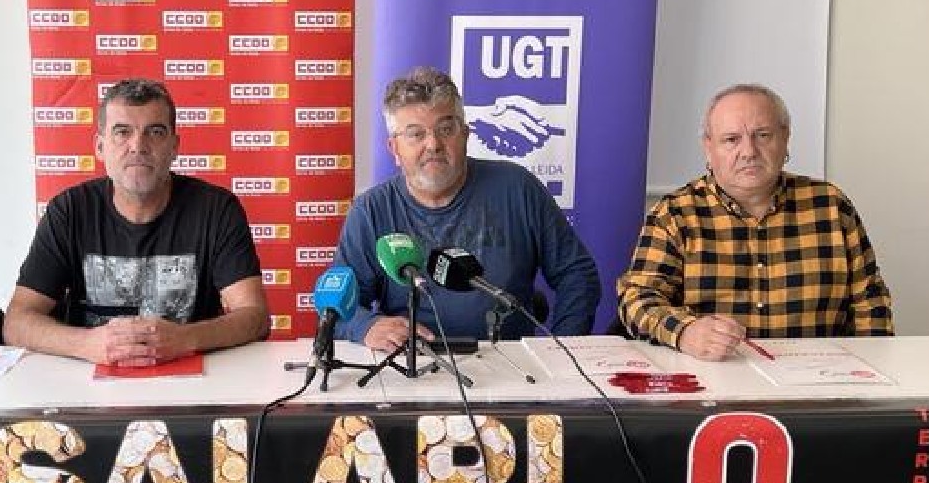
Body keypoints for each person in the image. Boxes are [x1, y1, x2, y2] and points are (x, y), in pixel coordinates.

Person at [616, 82, 893, 360]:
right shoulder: (675, 214)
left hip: (817, 375)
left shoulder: (831, 206)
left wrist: (871, 370)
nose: (749, 151)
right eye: (731, 139)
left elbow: (870, 303)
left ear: (785, 139)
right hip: (712, 375)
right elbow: (637, 299)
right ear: (708, 148)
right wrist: (685, 332)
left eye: (763, 135)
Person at [334, 67, 599, 355]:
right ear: (394, 148)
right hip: (412, 363)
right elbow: (338, 305)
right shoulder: (371, 211)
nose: (433, 144)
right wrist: (365, 326)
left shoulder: (517, 188)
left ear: (465, 135)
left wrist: (560, 352)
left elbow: (577, 275)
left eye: (446, 130)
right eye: (416, 134)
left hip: (511, 364)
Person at [4, 78, 269, 366]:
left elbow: (255, 317)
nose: (138, 146)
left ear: (174, 146)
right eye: (122, 132)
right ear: (100, 146)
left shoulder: (216, 209)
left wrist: (185, 338)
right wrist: (87, 343)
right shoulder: (69, 211)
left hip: (192, 379)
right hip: (90, 381)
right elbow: (17, 322)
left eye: (155, 132)